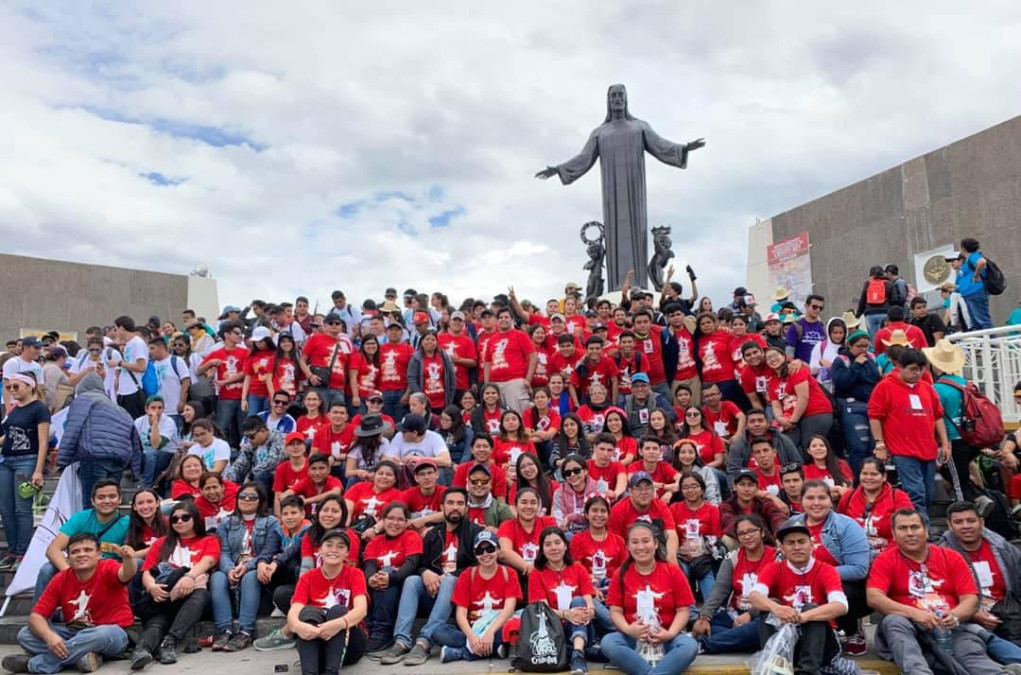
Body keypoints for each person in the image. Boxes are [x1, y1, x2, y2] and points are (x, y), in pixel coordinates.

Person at [867, 508, 1008, 675]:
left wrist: (955, 615)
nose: (910, 533)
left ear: (926, 531)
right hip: (907, 628)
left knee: (973, 657)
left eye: (915, 527)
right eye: (902, 528)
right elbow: (874, 597)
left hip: (950, 628)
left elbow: (970, 599)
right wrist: (914, 614)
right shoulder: (885, 559)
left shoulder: (951, 557)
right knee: (894, 620)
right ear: (894, 534)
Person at [3, 533, 136, 675]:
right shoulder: (61, 579)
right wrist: (50, 636)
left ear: (98, 554)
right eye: (75, 552)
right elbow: (36, 617)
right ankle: (83, 656)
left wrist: (128, 559)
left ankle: (36, 664)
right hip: (74, 632)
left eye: (87, 550)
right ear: (68, 558)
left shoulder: (108, 567)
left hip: (111, 633)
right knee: (25, 635)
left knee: (103, 633)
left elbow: (126, 574)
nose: (81, 555)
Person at [379, 488, 484, 666]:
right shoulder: (433, 534)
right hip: (434, 591)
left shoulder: (474, 532)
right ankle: (402, 640)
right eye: (450, 503)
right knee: (412, 580)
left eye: (460, 503)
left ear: (467, 508)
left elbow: (479, 564)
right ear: (442, 506)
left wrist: (450, 576)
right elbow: (420, 564)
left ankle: (424, 641)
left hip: (462, 595)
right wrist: (425, 573)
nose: (455, 508)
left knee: (450, 579)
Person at [747, 518, 850, 675]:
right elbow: (754, 595)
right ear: (782, 548)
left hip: (821, 643)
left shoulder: (826, 570)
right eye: (790, 543)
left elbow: (841, 605)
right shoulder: (773, 569)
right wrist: (777, 608)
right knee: (769, 606)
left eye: (801, 542)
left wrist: (804, 616)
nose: (797, 547)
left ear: (812, 544)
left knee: (813, 609)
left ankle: (807, 672)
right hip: (788, 641)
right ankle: (774, 667)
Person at [602, 522, 698, 675]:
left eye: (646, 541)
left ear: (656, 544)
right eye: (635, 542)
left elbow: (683, 610)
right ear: (628, 546)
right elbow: (615, 611)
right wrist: (628, 629)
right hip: (633, 637)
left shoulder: (672, 571)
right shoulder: (620, 574)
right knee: (609, 642)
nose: (640, 547)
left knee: (690, 646)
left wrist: (670, 633)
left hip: (665, 636)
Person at [132, 500, 218, 669]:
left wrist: (189, 577)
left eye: (185, 517)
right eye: (175, 519)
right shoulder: (162, 542)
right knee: (158, 622)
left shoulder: (208, 540)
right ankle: (141, 651)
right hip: (165, 595)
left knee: (201, 595)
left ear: (195, 519)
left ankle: (169, 642)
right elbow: (147, 571)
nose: (179, 521)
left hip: (192, 597)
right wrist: (151, 587)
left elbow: (208, 561)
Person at [789, 480, 871, 655]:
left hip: (839, 585)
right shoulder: (791, 525)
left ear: (830, 500)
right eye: (810, 498)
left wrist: (819, 574)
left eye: (822, 498)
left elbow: (859, 569)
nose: (816, 503)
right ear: (801, 501)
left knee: (842, 589)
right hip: (799, 581)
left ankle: (852, 629)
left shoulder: (847, 526)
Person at [868, 348, 951, 518]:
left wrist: (945, 444)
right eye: (913, 369)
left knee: (927, 494)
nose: (918, 373)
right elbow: (874, 416)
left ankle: (919, 527)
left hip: (928, 449)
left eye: (921, 369)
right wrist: (880, 444)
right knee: (916, 493)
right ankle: (923, 530)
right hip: (902, 451)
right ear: (899, 366)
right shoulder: (884, 387)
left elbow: (938, 417)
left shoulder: (927, 388)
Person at [941, 501, 1021, 666]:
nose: (965, 526)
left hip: (1007, 611)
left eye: (971, 521)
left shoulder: (1003, 548)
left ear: (981, 522)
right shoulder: (940, 553)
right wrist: (972, 613)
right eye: (958, 522)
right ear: (949, 525)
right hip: (964, 617)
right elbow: (939, 595)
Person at [433, 530, 522, 664]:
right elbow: (461, 613)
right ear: (475, 555)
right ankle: (494, 649)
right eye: (480, 551)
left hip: (497, 626)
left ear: (498, 550)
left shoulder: (509, 573)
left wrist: (490, 632)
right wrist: (472, 638)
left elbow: (509, 609)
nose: (485, 554)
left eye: (490, 549)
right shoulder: (467, 575)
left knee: (517, 625)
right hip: (473, 628)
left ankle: (463, 652)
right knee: (438, 632)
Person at [210, 482, 280, 652]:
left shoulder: (270, 522)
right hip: (232, 566)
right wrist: (229, 570)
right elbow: (223, 552)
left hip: (257, 568)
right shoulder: (227, 522)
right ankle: (224, 630)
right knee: (217, 577)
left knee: (250, 576)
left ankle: (245, 631)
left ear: (260, 500)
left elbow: (269, 552)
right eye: (242, 496)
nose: (247, 499)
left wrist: (248, 566)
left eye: (252, 496)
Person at [692, 514, 777, 654]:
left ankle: (704, 644)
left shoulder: (777, 558)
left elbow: (778, 597)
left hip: (762, 615)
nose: (747, 536)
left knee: (762, 627)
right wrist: (704, 616)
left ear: (762, 532)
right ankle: (742, 641)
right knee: (708, 624)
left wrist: (750, 614)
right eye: (742, 533)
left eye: (751, 531)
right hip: (734, 616)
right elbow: (720, 589)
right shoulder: (733, 558)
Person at [288, 528, 369, 673]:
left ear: (347, 553)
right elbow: (294, 611)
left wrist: (337, 624)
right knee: (307, 611)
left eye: (340, 546)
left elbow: (361, 610)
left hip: (349, 641)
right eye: (329, 545)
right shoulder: (308, 577)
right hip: (316, 641)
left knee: (338, 610)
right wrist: (298, 627)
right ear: (320, 549)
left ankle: (332, 672)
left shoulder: (355, 574)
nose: (334, 550)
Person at [36, 479, 129, 601]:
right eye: (101, 497)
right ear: (93, 501)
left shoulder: (128, 522)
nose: (107, 501)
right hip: (79, 566)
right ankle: (40, 615)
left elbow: (129, 557)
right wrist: (70, 573)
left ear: (120, 499)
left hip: (109, 571)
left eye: (112, 496)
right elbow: (53, 550)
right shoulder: (80, 518)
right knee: (47, 569)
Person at [58, 372, 141, 508]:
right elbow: (135, 441)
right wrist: (135, 471)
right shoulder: (120, 410)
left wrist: (63, 459)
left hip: (93, 458)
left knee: (93, 506)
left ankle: (91, 530)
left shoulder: (84, 399)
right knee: (110, 505)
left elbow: (73, 427)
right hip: (118, 462)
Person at [526, 527, 596, 674]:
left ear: (565, 545)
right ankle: (582, 653)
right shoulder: (537, 573)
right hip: (555, 628)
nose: (553, 548)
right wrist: (566, 614)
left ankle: (576, 654)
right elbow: (542, 608)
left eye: (557, 543)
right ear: (542, 549)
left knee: (578, 601)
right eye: (548, 544)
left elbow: (588, 598)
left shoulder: (577, 568)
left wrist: (590, 611)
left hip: (582, 626)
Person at [0, 372, 50, 570]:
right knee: (5, 508)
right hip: (7, 459)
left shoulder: (39, 409)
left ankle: (22, 550)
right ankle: (12, 550)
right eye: (10, 387)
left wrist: (38, 470)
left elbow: (43, 441)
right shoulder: (14, 409)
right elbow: (9, 435)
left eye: (16, 386)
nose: (12, 390)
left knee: (22, 508)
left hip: (27, 459)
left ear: (30, 386)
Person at [362, 502, 424, 652]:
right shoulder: (375, 542)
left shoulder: (411, 536)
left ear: (407, 522)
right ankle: (368, 628)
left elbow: (411, 564)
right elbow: (369, 565)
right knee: (373, 577)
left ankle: (382, 632)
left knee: (387, 572)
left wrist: (391, 578)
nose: (395, 523)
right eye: (390, 518)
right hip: (379, 587)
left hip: (403, 587)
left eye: (400, 519)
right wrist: (370, 579)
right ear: (382, 521)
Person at [927, 339, 982, 502]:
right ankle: (980, 498)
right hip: (972, 439)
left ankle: (968, 509)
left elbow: (935, 418)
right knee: (961, 477)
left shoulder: (937, 389)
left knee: (958, 483)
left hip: (953, 441)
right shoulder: (967, 384)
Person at [763, 346, 833, 450]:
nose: (772, 359)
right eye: (768, 358)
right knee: (787, 446)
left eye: (775, 355)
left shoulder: (795, 369)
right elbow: (776, 404)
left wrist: (792, 422)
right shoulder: (772, 380)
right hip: (792, 417)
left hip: (815, 412)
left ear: (784, 356)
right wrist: (780, 418)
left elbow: (803, 397)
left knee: (808, 448)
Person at [831, 329, 880, 474]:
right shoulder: (841, 360)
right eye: (859, 346)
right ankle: (857, 482)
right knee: (858, 446)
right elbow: (841, 383)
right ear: (850, 346)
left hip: (871, 405)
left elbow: (874, 379)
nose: (863, 350)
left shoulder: (870, 358)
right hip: (850, 406)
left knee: (873, 448)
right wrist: (856, 366)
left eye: (866, 346)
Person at [672, 471, 721, 603]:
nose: (690, 490)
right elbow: (670, 535)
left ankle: (711, 611)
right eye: (686, 487)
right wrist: (679, 551)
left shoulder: (712, 510)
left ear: (702, 489)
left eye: (694, 486)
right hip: (681, 555)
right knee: (679, 571)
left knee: (704, 570)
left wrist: (701, 549)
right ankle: (690, 612)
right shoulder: (674, 508)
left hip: (704, 555)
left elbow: (716, 537)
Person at [608, 472, 679, 562]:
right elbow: (614, 542)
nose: (644, 492)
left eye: (648, 488)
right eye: (639, 488)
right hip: (629, 554)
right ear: (630, 491)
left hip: (656, 552)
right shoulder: (618, 510)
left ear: (653, 490)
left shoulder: (660, 506)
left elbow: (671, 534)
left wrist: (671, 556)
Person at [197, 322, 247, 449]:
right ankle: (220, 452)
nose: (239, 335)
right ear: (226, 335)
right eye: (236, 333)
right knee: (222, 427)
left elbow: (246, 372)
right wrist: (211, 363)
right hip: (225, 396)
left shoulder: (245, 352)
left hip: (243, 396)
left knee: (245, 429)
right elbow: (198, 371)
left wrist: (225, 382)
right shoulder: (216, 353)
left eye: (240, 333)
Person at [482, 307, 537, 414]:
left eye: (506, 317)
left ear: (512, 319)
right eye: (501, 317)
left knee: (517, 416)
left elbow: (533, 356)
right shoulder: (492, 339)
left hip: (514, 382)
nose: (503, 319)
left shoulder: (520, 335)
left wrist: (528, 379)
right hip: (495, 383)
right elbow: (487, 362)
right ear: (497, 321)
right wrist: (487, 384)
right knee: (500, 418)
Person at [725, 409, 801, 483]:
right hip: (752, 488)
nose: (757, 424)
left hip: (783, 485)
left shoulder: (783, 440)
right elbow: (732, 473)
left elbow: (797, 464)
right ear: (746, 426)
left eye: (760, 421)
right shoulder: (737, 446)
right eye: (752, 422)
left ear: (768, 423)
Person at [720, 470, 787, 545]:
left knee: (782, 537)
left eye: (751, 485)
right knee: (728, 539)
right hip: (741, 540)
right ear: (734, 487)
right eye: (742, 485)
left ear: (757, 488)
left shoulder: (764, 503)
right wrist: (750, 535)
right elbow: (728, 524)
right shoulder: (727, 505)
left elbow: (777, 517)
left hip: (765, 542)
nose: (746, 489)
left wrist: (779, 534)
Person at [300, 313, 351, 411]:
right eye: (331, 323)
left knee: (337, 417)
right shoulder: (316, 338)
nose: (334, 325)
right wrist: (310, 376)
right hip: (320, 386)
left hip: (339, 388)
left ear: (341, 326)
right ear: (325, 325)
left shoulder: (345, 344)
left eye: (337, 323)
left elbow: (346, 366)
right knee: (319, 416)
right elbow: (302, 360)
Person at [225, 416, 285, 495]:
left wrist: (251, 475)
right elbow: (240, 463)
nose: (249, 440)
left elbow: (272, 461)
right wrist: (226, 479)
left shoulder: (276, 437)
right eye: (247, 437)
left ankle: (260, 502)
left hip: (274, 477)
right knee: (235, 475)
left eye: (251, 436)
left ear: (263, 431)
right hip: (255, 475)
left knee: (260, 475)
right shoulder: (251, 444)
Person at [137, 395, 181, 491]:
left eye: (160, 408)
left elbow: (156, 445)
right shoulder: (139, 422)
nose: (156, 411)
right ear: (146, 409)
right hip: (147, 457)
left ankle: (146, 486)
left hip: (167, 455)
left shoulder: (168, 422)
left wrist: (155, 424)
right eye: (153, 408)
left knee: (151, 453)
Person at [111, 316, 149, 419]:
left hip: (133, 390)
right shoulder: (128, 344)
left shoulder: (137, 343)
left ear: (122, 328)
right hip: (124, 390)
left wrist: (119, 363)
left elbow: (141, 367)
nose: (116, 332)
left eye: (116, 328)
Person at [552, 454, 600, 535]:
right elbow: (559, 519)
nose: (572, 475)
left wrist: (572, 517)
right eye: (568, 473)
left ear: (585, 471)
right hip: (569, 532)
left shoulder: (598, 487)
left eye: (576, 470)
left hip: (593, 530)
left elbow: (598, 516)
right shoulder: (559, 493)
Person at [620, 372, 673, 438]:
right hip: (631, 438)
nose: (640, 389)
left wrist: (656, 419)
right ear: (631, 389)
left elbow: (672, 415)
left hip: (655, 437)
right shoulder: (624, 402)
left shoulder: (658, 399)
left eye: (643, 386)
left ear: (649, 387)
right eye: (636, 386)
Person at [802, 435, 853, 501]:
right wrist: (835, 490)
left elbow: (849, 487)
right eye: (814, 446)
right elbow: (809, 490)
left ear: (827, 448)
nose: (818, 448)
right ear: (809, 451)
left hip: (842, 501)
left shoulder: (841, 464)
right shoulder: (805, 469)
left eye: (822, 445)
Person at [957, 238, 993, 330]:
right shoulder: (968, 260)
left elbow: (982, 262)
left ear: (964, 248)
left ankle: (991, 343)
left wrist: (976, 275)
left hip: (976, 291)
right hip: (969, 294)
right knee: (976, 322)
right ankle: (985, 342)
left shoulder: (973, 256)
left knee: (982, 320)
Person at [240, 326, 276, 417]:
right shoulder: (251, 355)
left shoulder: (276, 353)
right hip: (255, 392)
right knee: (253, 417)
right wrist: (244, 398)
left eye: (261, 341)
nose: (259, 344)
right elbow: (247, 377)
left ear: (268, 340)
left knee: (269, 418)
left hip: (271, 392)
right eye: (256, 342)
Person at [465, 464, 514, 529]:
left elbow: (512, 534)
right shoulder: (459, 507)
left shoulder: (502, 509)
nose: (479, 484)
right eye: (474, 481)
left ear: (490, 484)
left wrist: (498, 532)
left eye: (484, 481)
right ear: (468, 483)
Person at [2, 337, 44, 411]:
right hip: (13, 404)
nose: (38, 351)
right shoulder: (13, 363)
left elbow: (39, 388)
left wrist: (41, 405)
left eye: (40, 348)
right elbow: (6, 387)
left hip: (30, 405)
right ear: (26, 348)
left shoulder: (37, 366)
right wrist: (8, 409)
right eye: (36, 348)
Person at [808, 316, 847, 392]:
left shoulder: (848, 347)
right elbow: (811, 370)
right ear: (829, 332)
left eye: (841, 333)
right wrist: (820, 363)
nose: (838, 336)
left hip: (842, 389)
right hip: (823, 389)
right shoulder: (821, 346)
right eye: (835, 333)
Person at [785, 294, 827, 363]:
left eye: (821, 308)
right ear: (806, 306)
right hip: (801, 370)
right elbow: (789, 355)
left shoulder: (824, 328)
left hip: (820, 370)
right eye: (815, 307)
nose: (818, 310)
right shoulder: (796, 327)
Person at [587, 433, 627, 501]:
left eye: (609, 450)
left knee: (626, 495)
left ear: (614, 451)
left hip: (612, 500)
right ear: (595, 448)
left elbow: (622, 482)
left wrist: (615, 494)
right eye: (602, 449)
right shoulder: (586, 465)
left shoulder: (618, 465)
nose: (605, 454)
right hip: (590, 500)